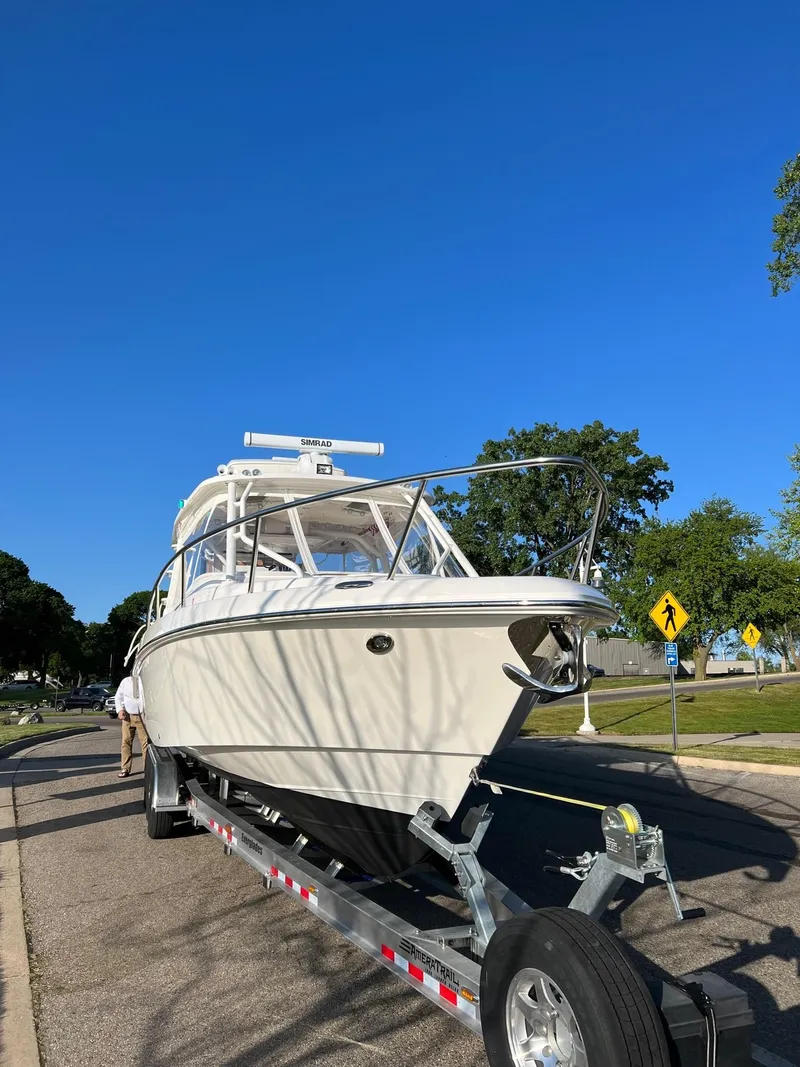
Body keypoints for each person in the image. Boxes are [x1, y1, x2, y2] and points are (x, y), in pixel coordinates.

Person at [115, 676, 148, 778]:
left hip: (142, 716)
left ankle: (147, 769)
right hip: (127, 716)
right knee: (126, 742)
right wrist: (120, 710)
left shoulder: (145, 680)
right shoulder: (125, 681)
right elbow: (118, 696)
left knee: (145, 743)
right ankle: (125, 768)